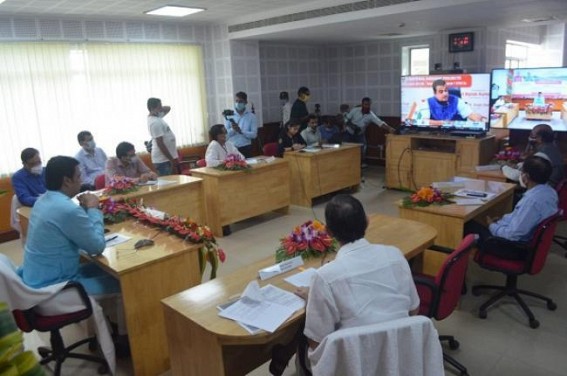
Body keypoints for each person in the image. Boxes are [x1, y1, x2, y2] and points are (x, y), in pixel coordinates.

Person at [271, 195, 419, 374]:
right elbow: (413, 310)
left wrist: (314, 300)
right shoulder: (395, 255)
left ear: (328, 232)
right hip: (398, 356)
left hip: (354, 364)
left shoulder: (325, 277)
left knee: (303, 333)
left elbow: (316, 342)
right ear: (367, 221)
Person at [20, 156, 120, 296]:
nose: (82, 180)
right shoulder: (67, 209)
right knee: (125, 281)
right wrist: (93, 209)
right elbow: (97, 247)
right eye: (79, 176)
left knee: (109, 269)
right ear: (67, 181)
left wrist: (85, 210)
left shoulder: (42, 200)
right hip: (54, 288)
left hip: (37, 278)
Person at [465, 155, 558, 260]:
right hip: (526, 244)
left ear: (526, 176)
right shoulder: (550, 192)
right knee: (478, 224)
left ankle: (458, 269)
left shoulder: (532, 201)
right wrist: (502, 220)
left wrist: (492, 226)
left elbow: (513, 235)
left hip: (513, 248)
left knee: (467, 225)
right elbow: (520, 219)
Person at [344, 97, 394, 164]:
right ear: (362, 104)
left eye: (368, 104)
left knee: (363, 149)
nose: (367, 106)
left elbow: (380, 123)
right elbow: (346, 119)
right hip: (349, 133)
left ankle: (359, 164)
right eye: (365, 104)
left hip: (360, 134)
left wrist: (389, 128)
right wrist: (352, 126)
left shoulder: (371, 115)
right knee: (345, 149)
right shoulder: (355, 110)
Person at [419, 79, 484, 122]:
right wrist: (444, 123)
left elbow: (470, 114)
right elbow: (425, 122)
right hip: (433, 135)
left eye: (446, 90)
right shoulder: (428, 102)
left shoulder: (456, 100)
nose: (445, 93)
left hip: (453, 135)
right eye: (441, 91)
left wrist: (478, 118)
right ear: (434, 93)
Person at [147, 97, 178, 176]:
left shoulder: (157, 116)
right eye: (159, 106)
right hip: (163, 160)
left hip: (167, 159)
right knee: (168, 184)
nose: (161, 108)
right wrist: (171, 159)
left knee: (175, 183)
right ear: (152, 108)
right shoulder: (154, 122)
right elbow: (160, 143)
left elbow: (168, 108)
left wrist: (159, 108)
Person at [224, 91, 258, 158]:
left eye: (241, 101)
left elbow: (254, 135)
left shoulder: (251, 116)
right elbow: (225, 135)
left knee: (248, 167)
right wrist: (233, 130)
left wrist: (241, 131)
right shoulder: (229, 115)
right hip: (232, 148)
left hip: (246, 148)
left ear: (245, 102)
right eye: (236, 101)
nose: (238, 103)